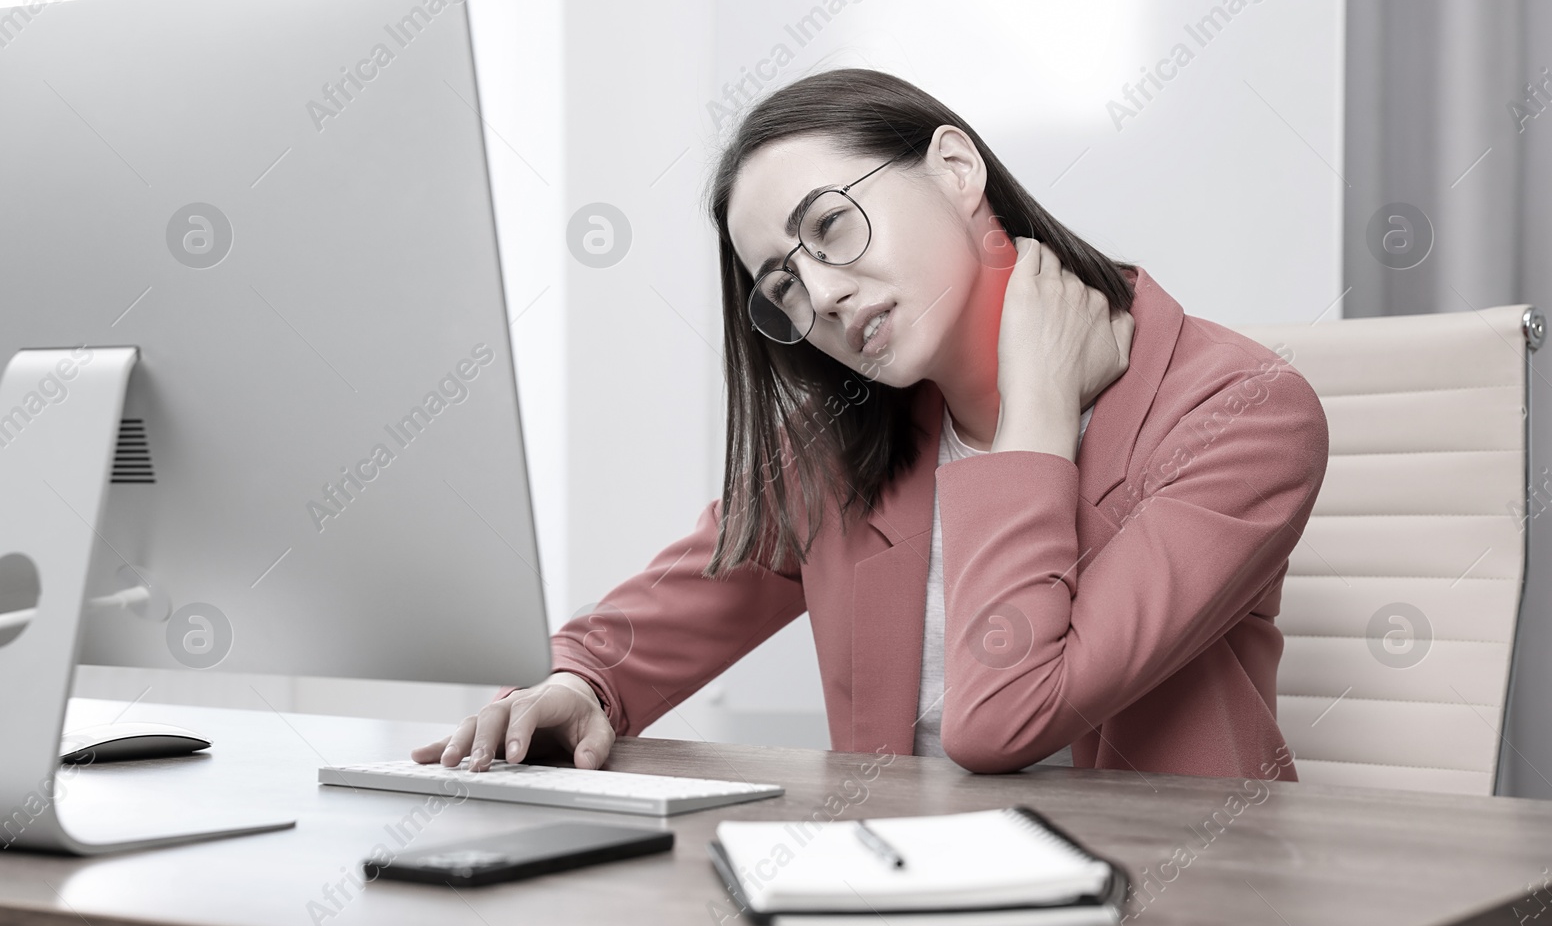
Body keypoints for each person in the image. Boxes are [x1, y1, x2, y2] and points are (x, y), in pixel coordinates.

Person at [412, 67, 1329, 780]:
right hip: (896, 906)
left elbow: (1000, 716)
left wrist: (1038, 419)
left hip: (1176, 917)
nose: (822, 295)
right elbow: (670, 609)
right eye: (782, 286)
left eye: (831, 227)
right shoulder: (843, 442)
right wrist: (581, 682)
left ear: (956, 169)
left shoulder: (1240, 411)